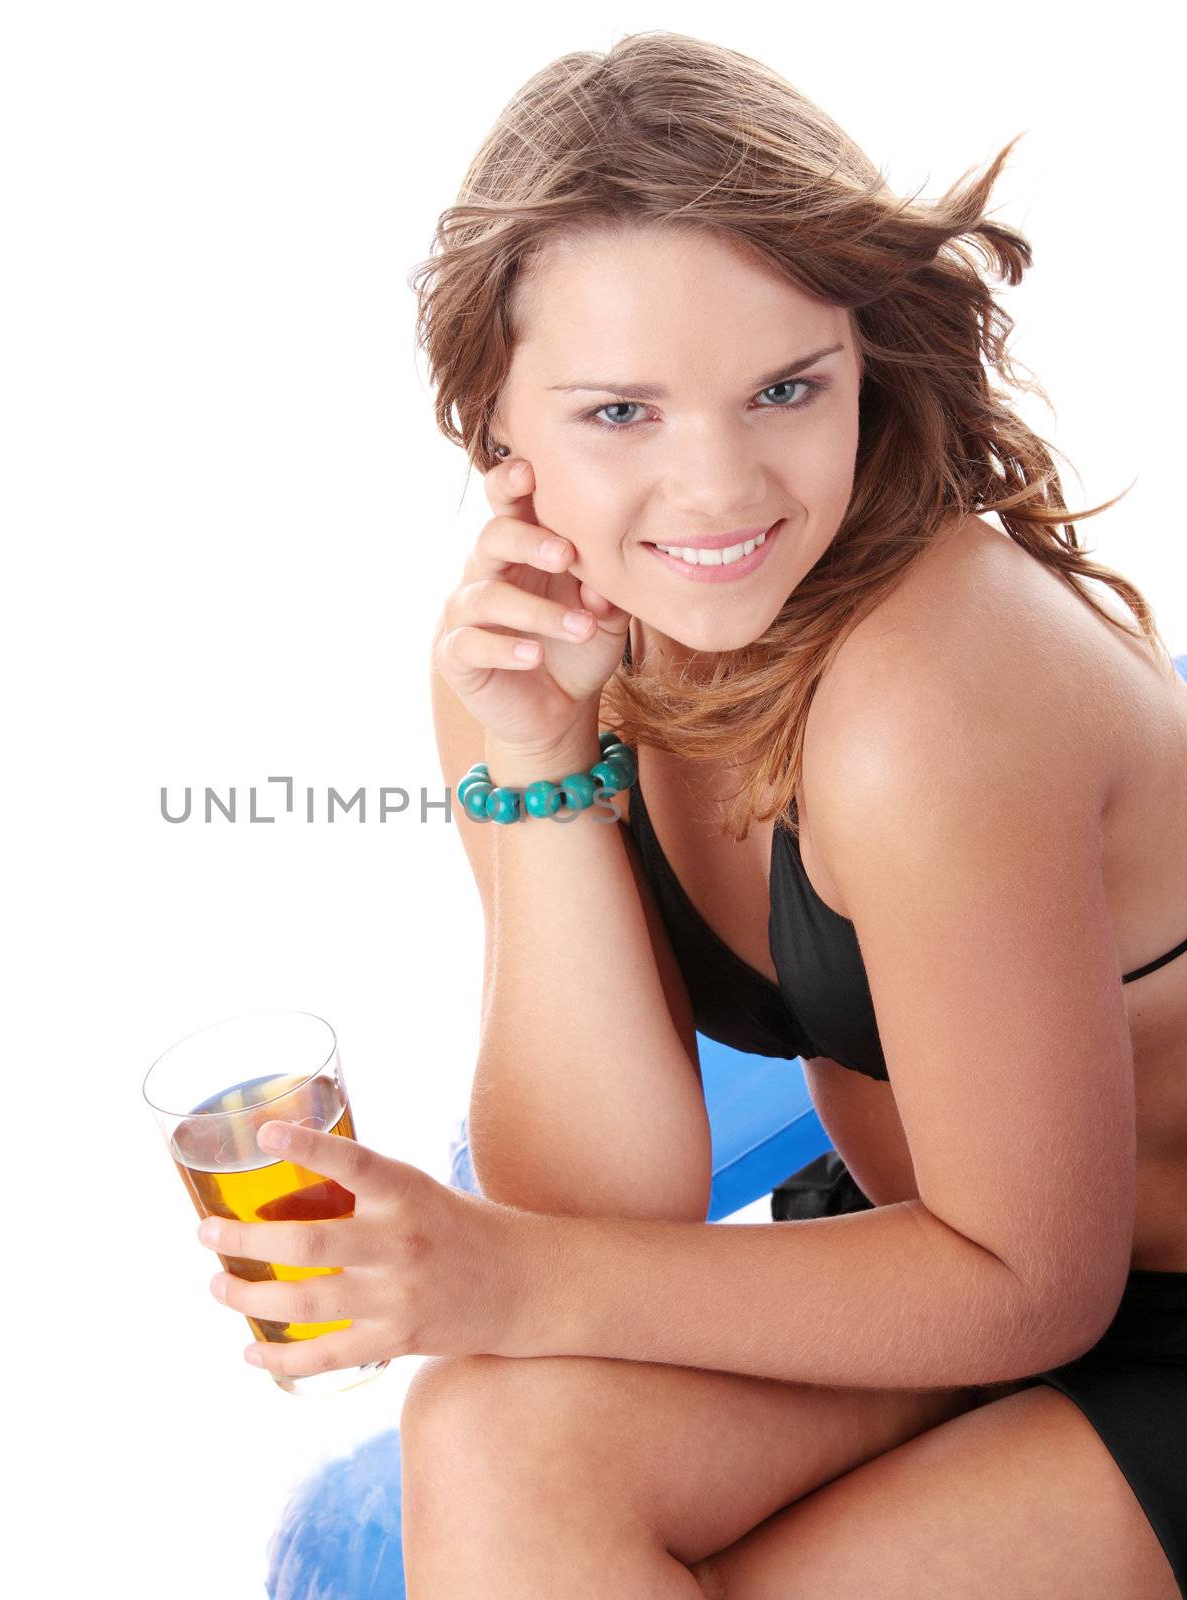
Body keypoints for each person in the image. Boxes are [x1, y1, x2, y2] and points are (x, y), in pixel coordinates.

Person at [416, 30, 1187, 1600]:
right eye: (621, 413)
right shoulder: (532, 654)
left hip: (1094, 1290)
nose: (717, 490)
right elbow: (604, 1207)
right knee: (483, 1439)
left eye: (784, 388)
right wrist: (546, 765)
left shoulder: (932, 691)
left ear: (864, 359)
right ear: (494, 419)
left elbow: (1041, 1282)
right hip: (931, 1268)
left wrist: (494, 1277)